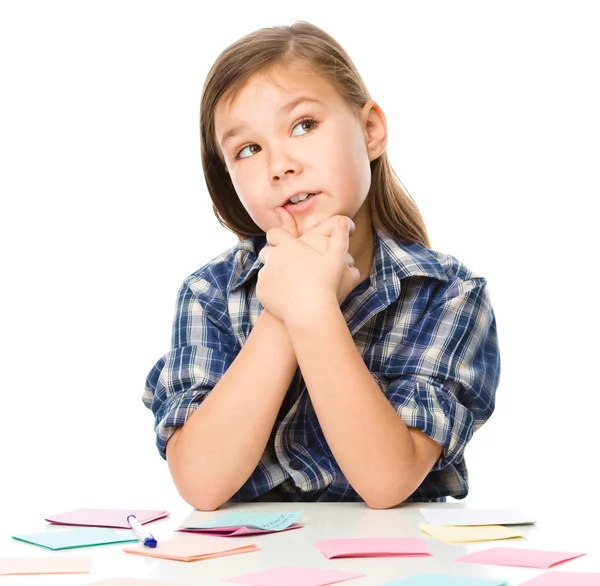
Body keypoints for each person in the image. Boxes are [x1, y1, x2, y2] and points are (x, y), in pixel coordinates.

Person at [143, 21, 501, 511]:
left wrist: (312, 310)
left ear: (370, 130)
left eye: (304, 125)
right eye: (248, 149)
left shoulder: (447, 294)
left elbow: (386, 480)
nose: (279, 165)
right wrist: (284, 309)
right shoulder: (209, 295)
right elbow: (202, 485)